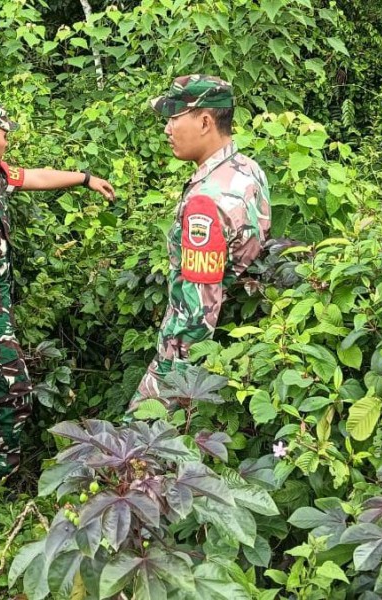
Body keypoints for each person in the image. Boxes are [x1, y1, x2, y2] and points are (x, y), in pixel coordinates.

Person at [0, 100, 115, 477]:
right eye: (3, 135)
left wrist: (85, 179)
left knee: (5, 394)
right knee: (15, 395)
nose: (6, 141)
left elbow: (31, 177)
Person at [131, 74, 272, 409]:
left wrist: (173, 386)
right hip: (237, 339)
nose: (167, 129)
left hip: (187, 363)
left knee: (134, 447)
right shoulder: (248, 170)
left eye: (174, 119)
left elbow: (197, 314)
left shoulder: (206, 204)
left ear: (206, 121)